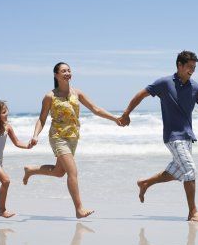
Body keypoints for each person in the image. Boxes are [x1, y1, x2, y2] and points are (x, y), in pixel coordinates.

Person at [120, 51, 198, 222]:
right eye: (189, 67)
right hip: (173, 136)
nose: (192, 71)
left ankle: (145, 183)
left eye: (194, 68)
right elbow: (141, 94)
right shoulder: (164, 83)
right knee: (190, 170)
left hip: (187, 136)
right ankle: (193, 212)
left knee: (176, 172)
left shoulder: (196, 87)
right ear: (179, 65)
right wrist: (126, 113)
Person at [23, 62, 123, 218]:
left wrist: (114, 119)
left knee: (59, 172)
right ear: (56, 75)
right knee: (72, 172)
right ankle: (79, 209)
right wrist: (35, 135)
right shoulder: (50, 96)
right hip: (58, 137)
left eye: (69, 70)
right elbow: (42, 119)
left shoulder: (77, 93)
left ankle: (31, 170)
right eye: (63, 71)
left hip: (73, 138)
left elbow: (95, 109)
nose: (67, 73)